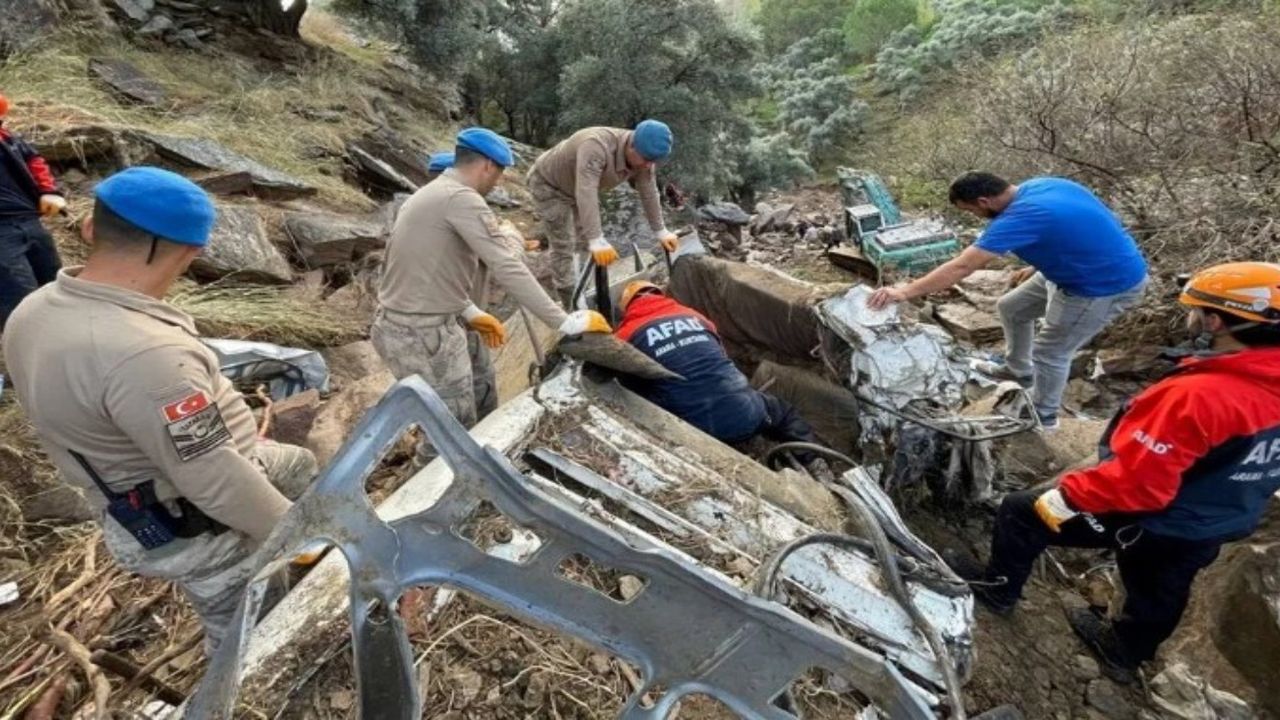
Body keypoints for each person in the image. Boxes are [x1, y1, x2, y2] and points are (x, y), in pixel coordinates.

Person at [2, 167, 319, 651]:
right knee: (251, 633)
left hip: (126, 494)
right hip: (191, 523)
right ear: (187, 253)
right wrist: (294, 537)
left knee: (300, 465)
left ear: (90, 229)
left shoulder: (34, 309)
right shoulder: (145, 353)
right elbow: (215, 482)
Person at [947, 262, 1280, 683]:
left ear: (1216, 320)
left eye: (1197, 309)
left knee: (1021, 511)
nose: (1192, 316)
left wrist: (1069, 493)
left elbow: (1137, 487)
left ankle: (997, 590)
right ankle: (1124, 655)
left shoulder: (1201, 396)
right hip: (1222, 515)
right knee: (1163, 586)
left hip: (1156, 515)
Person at [373, 127, 610, 462]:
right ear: (486, 165)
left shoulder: (431, 195)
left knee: (466, 413)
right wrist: (563, 321)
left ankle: (475, 474)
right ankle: (435, 508)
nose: (497, 182)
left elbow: (427, 270)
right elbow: (506, 266)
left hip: (415, 325)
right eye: (498, 173)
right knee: (449, 435)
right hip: (422, 334)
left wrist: (469, 312)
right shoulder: (460, 198)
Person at [868, 172, 1149, 429]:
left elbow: (962, 267)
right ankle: (1017, 370)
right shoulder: (1044, 185)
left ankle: (1043, 416)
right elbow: (1084, 224)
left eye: (972, 211)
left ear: (983, 201)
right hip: (1079, 268)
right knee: (1012, 307)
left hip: (1100, 285)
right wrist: (1041, 263)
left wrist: (904, 292)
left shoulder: (1018, 217)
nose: (976, 216)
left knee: (1050, 352)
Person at [614, 281, 829, 474]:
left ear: (627, 308)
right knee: (782, 412)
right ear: (661, 296)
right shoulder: (694, 316)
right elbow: (719, 357)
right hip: (747, 415)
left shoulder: (624, 336)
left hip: (693, 432)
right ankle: (814, 461)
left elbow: (629, 386)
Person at [527, 121, 680, 307]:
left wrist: (661, 230)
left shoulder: (645, 158)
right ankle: (571, 305)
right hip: (550, 185)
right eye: (646, 159)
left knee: (584, 242)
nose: (649, 165)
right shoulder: (596, 146)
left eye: (653, 161)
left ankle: (586, 288)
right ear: (631, 145)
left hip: (577, 188)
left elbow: (648, 191)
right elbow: (586, 191)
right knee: (563, 245)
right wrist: (597, 239)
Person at [1, 92, 67, 331]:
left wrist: (50, 191)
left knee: (53, 281)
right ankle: (25, 352)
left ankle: (61, 336)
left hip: (30, 219)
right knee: (17, 295)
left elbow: (34, 160)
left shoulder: (9, 139)